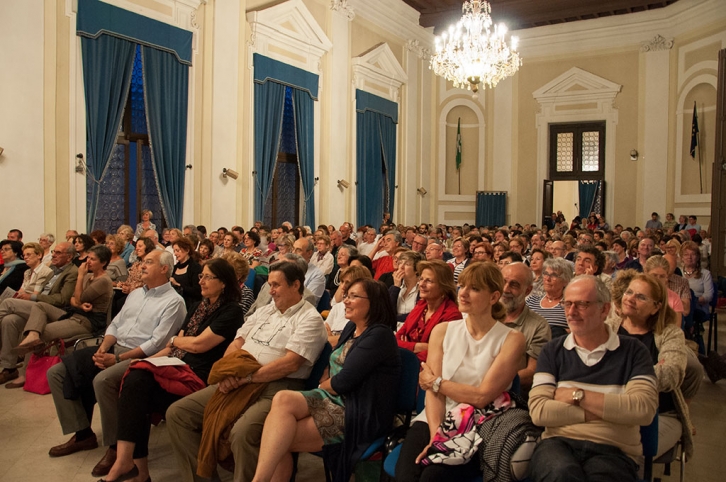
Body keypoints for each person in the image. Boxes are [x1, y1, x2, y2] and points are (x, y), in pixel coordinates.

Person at [165, 261, 327, 482]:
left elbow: (290, 364)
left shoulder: (310, 318)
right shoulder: (264, 310)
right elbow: (237, 343)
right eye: (270, 284)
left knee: (242, 433)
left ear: (296, 285)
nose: (270, 291)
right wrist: (229, 373)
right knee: (178, 413)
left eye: (276, 285)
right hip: (240, 377)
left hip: (279, 387)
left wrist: (247, 378)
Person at [45, 250, 186, 478]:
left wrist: (119, 358)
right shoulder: (136, 295)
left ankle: (116, 447)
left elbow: (156, 343)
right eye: (142, 262)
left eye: (148, 262)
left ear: (164, 269)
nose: (141, 266)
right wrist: (103, 348)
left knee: (103, 380)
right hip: (113, 347)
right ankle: (83, 434)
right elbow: (115, 325)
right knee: (58, 372)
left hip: (141, 357)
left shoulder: (174, 302)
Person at [102, 259, 245, 482]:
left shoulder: (232, 312)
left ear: (224, 283)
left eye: (208, 277)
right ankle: (129, 465)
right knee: (135, 379)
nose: (202, 281)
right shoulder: (199, 306)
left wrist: (178, 341)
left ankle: (133, 469)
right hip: (177, 365)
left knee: (137, 390)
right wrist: (148, 360)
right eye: (201, 277)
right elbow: (173, 344)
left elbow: (199, 345)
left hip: (198, 376)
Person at [252, 278, 400, 482]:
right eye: (346, 295)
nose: (346, 301)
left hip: (357, 409)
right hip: (333, 398)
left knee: (277, 440)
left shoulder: (380, 335)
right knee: (282, 399)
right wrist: (328, 379)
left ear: (374, 302)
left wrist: (324, 384)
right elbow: (335, 358)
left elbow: (343, 382)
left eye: (354, 296)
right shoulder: (351, 327)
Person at [395, 262, 525, 481]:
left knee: (433, 477)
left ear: (494, 297)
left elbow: (481, 397)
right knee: (405, 475)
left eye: (474, 288)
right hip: (434, 417)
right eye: (462, 286)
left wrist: (436, 382)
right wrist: (437, 436)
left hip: (478, 425)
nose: (463, 293)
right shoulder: (444, 330)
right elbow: (433, 395)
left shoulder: (512, 339)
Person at [528, 275, 658, 482]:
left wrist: (575, 396)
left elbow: (642, 409)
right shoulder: (552, 351)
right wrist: (610, 411)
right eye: (567, 303)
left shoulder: (634, 352)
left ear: (604, 310)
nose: (571, 312)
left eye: (582, 304)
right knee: (560, 473)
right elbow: (539, 412)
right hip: (558, 444)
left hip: (614, 450)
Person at [607, 273, 694, 459]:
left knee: (625, 452)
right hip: (611, 411)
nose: (630, 298)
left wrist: (614, 372)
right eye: (629, 292)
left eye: (641, 296)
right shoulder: (608, 327)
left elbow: (669, 374)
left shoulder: (670, 334)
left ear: (656, 307)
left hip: (660, 414)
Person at [10, 245, 114, 388]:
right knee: (39, 307)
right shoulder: (89, 276)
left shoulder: (103, 280)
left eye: (93, 259)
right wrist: (79, 303)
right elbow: (73, 299)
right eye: (88, 257)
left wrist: (80, 277)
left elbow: (79, 298)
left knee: (42, 332)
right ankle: (32, 336)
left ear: (103, 262)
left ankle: (25, 373)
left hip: (87, 322)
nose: (88, 261)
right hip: (74, 314)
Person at [0, 242, 78, 386]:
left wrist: (33, 297)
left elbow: (62, 299)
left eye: (58, 253)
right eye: (54, 251)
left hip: (57, 311)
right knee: (9, 320)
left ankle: (25, 373)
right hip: (40, 306)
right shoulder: (53, 270)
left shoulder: (72, 272)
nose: (53, 254)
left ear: (69, 257)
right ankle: (9, 367)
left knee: (7, 303)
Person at [395, 260, 461, 363]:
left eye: (429, 281)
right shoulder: (420, 306)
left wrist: (406, 348)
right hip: (404, 362)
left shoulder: (452, 315)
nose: (421, 284)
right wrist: (418, 346)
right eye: (421, 279)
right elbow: (396, 339)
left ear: (443, 286)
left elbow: (440, 354)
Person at [501, 263, 551, 391]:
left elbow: (532, 373)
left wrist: (494, 384)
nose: (505, 289)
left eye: (514, 285)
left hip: (512, 397)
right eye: (503, 282)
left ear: (527, 290)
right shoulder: (484, 315)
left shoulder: (538, 326)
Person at [526, 257, 573, 339]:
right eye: (546, 274)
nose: (547, 279)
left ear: (566, 281)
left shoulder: (570, 305)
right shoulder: (531, 300)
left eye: (554, 275)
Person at [324, 266, 372, 346]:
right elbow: (321, 335)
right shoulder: (338, 307)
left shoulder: (363, 311)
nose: (342, 287)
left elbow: (353, 340)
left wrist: (330, 337)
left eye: (348, 283)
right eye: (342, 282)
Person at [389, 250, 424, 323]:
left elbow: (417, 315)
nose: (401, 267)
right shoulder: (396, 287)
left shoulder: (422, 288)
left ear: (417, 270)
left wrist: (394, 319)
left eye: (407, 264)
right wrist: (396, 287)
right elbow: (387, 311)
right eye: (400, 263)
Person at [680, 240, 713, 317]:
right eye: (686, 254)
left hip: (699, 307)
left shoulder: (705, 273)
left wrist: (693, 301)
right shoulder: (678, 272)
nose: (689, 257)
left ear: (698, 257)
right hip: (680, 305)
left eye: (693, 254)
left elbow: (709, 296)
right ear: (681, 257)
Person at [171, 237, 204, 311]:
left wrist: (178, 285)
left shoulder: (195, 267)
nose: (175, 254)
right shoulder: (175, 267)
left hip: (190, 306)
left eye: (177, 250)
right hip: (175, 304)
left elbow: (197, 291)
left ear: (187, 250)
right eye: (174, 251)